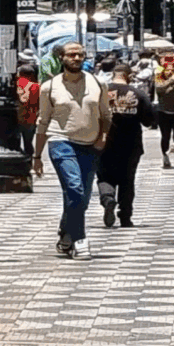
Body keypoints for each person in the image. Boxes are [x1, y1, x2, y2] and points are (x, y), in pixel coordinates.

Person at [33, 39, 110, 259]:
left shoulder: (98, 83)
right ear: (62, 58)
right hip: (61, 142)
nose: (76, 58)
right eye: (71, 55)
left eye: (80, 55)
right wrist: (36, 156)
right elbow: (43, 121)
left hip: (90, 145)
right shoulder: (49, 87)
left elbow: (106, 116)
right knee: (74, 189)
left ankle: (66, 232)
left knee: (82, 197)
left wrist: (102, 138)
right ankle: (80, 240)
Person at [95, 65, 149, 229]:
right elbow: (150, 120)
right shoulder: (138, 94)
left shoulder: (100, 93)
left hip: (103, 142)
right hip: (131, 144)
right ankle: (125, 217)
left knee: (104, 176)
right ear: (129, 75)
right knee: (127, 180)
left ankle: (108, 197)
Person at [152, 55, 174, 168]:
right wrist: (171, 80)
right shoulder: (159, 78)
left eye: (172, 68)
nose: (170, 71)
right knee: (165, 136)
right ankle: (165, 157)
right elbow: (159, 88)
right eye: (167, 68)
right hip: (163, 112)